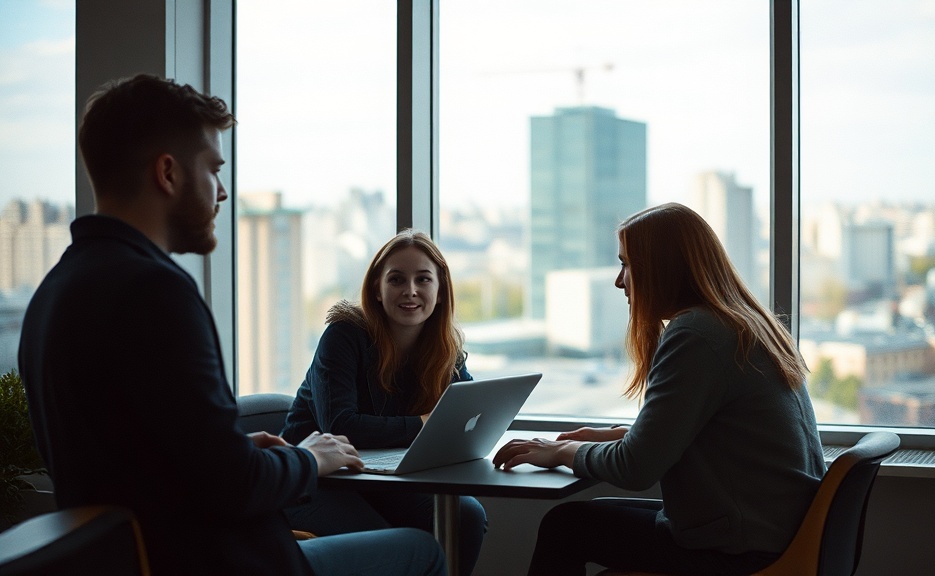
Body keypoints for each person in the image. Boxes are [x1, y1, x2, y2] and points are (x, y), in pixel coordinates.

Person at [18, 74, 446, 576]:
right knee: (425, 551)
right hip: (223, 562)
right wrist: (310, 458)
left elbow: (144, 460)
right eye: (213, 169)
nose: (222, 192)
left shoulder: (54, 292)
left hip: (139, 559)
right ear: (168, 173)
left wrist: (240, 449)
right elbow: (233, 485)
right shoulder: (155, 291)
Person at [492, 202, 826, 576]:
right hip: (775, 532)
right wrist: (612, 436)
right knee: (587, 517)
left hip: (742, 549)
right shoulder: (744, 324)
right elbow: (699, 432)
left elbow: (636, 469)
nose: (620, 281)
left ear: (660, 269)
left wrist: (562, 451)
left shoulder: (697, 334)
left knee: (565, 527)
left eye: (627, 265)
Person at [281, 230, 486, 576]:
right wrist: (424, 424)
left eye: (423, 279)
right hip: (315, 484)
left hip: (382, 480)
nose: (410, 290)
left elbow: (463, 415)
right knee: (390, 543)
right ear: (377, 289)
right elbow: (341, 427)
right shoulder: (344, 335)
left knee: (467, 515)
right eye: (396, 279)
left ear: (440, 291)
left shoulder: (443, 347)